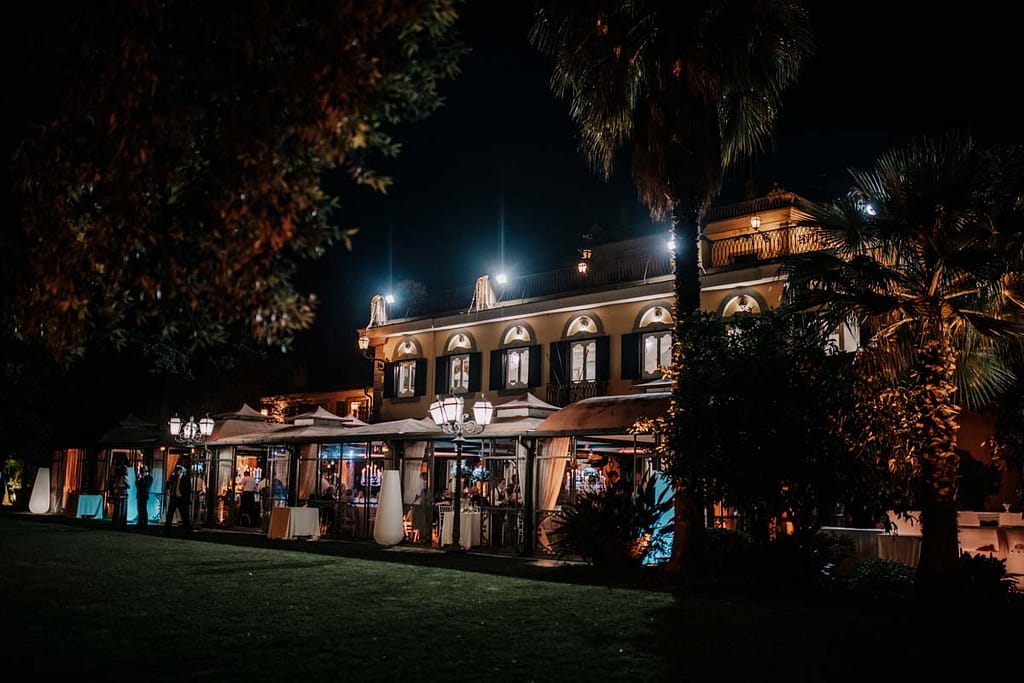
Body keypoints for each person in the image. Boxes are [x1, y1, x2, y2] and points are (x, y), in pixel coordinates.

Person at [164, 463, 193, 534]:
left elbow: (188, 490)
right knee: (169, 514)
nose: (177, 472)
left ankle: (188, 529)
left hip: (181, 499)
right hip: (174, 498)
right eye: (176, 470)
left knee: (184, 515)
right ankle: (167, 529)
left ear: (181, 471)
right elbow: (168, 483)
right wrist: (168, 489)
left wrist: (185, 498)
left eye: (178, 470)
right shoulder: (173, 478)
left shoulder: (186, 479)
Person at [111, 465, 130, 529]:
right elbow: (129, 485)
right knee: (122, 508)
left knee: (118, 507)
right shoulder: (124, 477)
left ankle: (117, 522)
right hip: (123, 492)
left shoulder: (119, 477)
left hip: (119, 492)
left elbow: (115, 485)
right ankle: (121, 523)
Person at [135, 464, 153, 531]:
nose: (143, 471)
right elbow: (137, 484)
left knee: (144, 510)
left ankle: (145, 524)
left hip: (144, 495)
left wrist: (142, 478)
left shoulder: (149, 478)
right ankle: (139, 524)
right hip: (139, 495)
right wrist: (138, 479)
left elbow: (146, 485)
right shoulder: (141, 477)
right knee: (139, 510)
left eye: (144, 470)